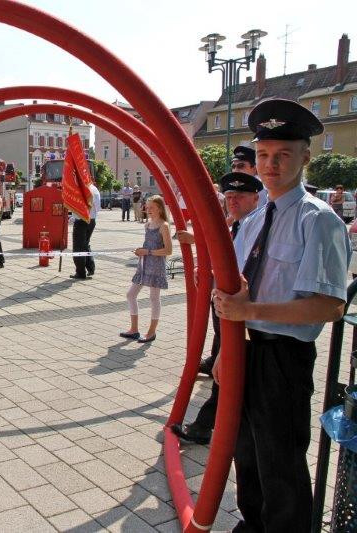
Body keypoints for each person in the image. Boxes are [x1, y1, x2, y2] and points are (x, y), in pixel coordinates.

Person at [213, 98, 349, 532]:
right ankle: (255, 525)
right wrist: (225, 352)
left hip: (283, 357)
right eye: (265, 155)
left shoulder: (318, 220)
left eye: (283, 155)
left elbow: (329, 306)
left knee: (281, 460)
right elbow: (234, 294)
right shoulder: (253, 220)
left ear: (305, 157)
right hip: (246, 350)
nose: (270, 165)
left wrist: (249, 310)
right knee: (246, 453)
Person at [170, 172, 263, 445]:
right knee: (224, 365)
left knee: (228, 371)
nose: (233, 201)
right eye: (230, 196)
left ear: (255, 198)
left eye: (240, 196)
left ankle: (204, 425)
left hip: (244, 314)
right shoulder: (238, 226)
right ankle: (212, 426)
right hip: (227, 307)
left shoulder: (255, 226)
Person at [119, 195, 172, 343]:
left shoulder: (164, 226)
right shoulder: (147, 225)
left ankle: (151, 332)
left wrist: (147, 252)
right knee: (131, 294)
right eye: (147, 207)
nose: (148, 210)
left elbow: (168, 250)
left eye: (151, 208)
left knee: (154, 298)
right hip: (144, 264)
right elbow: (148, 245)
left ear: (160, 209)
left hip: (156, 266)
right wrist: (140, 250)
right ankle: (134, 329)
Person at [70, 180, 101, 280]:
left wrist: (73, 217)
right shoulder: (95, 189)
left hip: (81, 221)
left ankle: (80, 272)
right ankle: (91, 268)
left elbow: (78, 206)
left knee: (78, 247)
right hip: (91, 221)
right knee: (85, 245)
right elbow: (98, 207)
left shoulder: (81, 189)